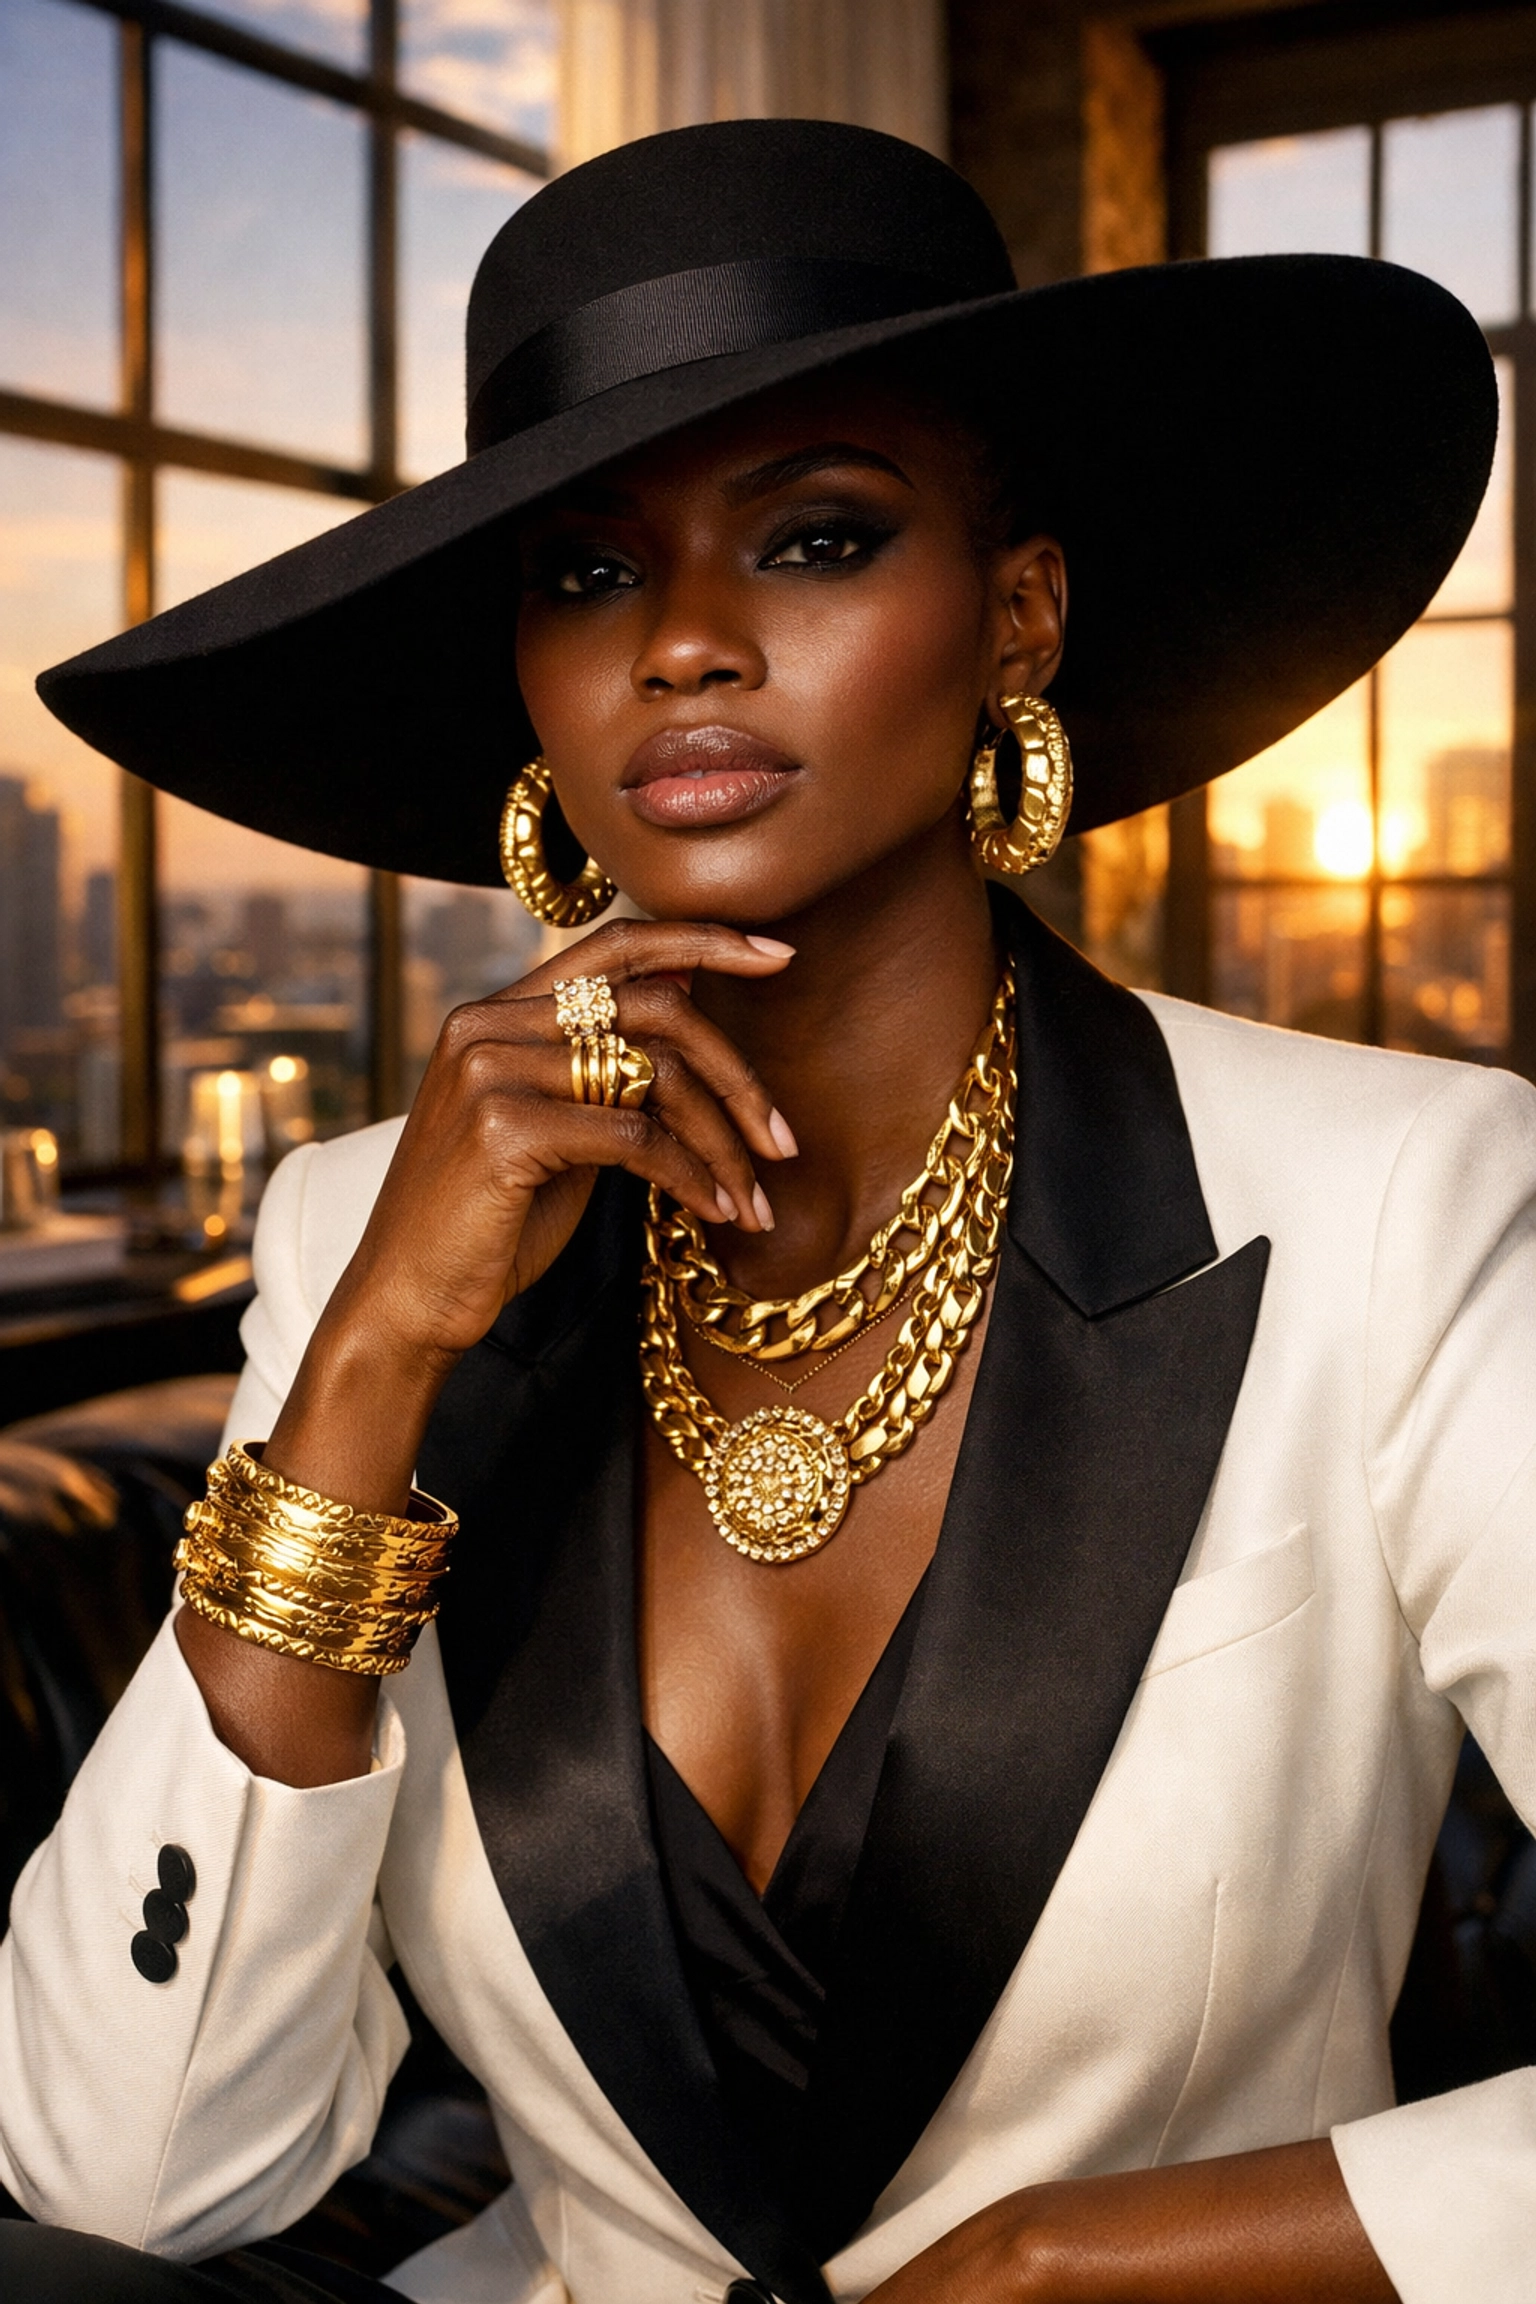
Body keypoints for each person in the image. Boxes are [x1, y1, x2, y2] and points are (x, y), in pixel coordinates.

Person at [0, 118, 1524, 2304]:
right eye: (595, 572)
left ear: (1021, 614)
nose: (689, 646)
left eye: (814, 537)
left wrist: (1060, 2266)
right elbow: (127, 2175)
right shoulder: (364, 1244)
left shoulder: (1398, 1198)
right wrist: (361, 1368)